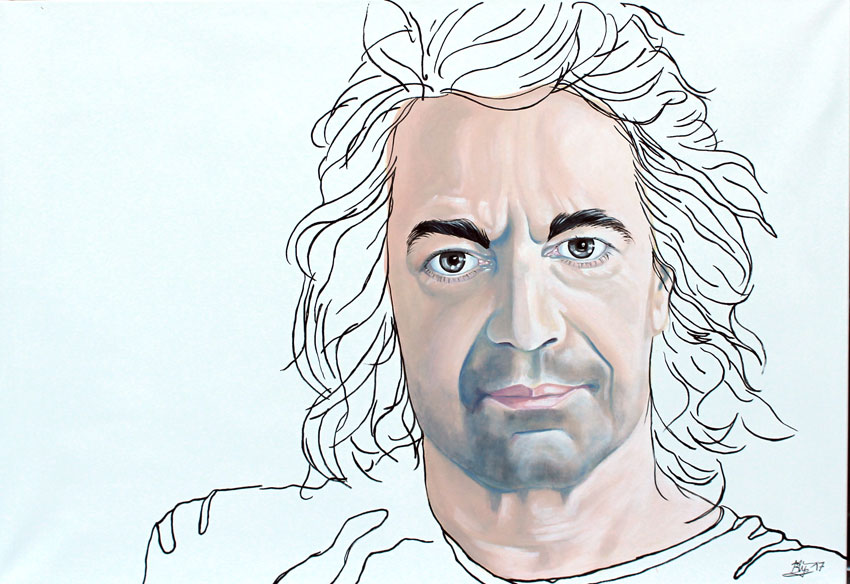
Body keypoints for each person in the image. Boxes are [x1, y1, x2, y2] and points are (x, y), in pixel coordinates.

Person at [143, 2, 845, 582]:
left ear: (664, 279)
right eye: (454, 260)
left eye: (581, 249)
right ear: (378, 291)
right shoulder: (232, 558)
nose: (526, 325)